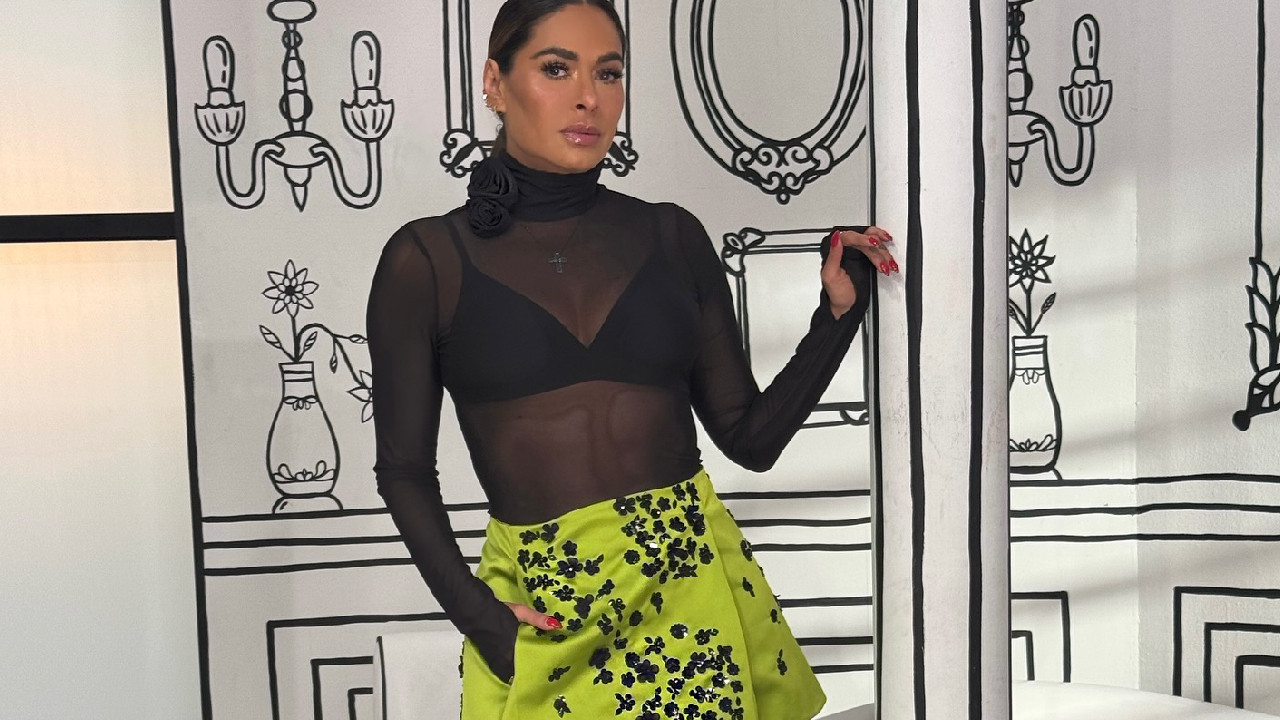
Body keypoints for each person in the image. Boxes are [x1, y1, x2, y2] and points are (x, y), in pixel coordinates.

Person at [366, 1, 898, 718]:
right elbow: (403, 469)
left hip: (696, 602)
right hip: (549, 615)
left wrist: (836, 316)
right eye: (557, 69)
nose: (590, 98)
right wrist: (482, 619)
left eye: (609, 73)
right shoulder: (425, 260)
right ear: (495, 83)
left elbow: (750, 439)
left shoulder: (672, 237)